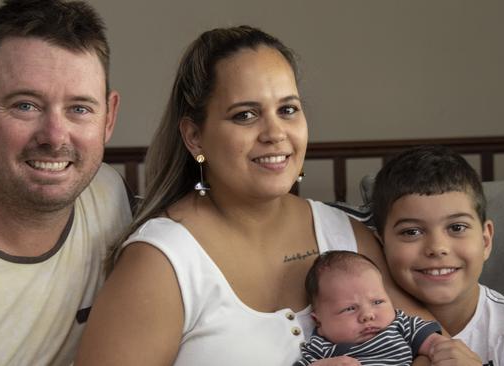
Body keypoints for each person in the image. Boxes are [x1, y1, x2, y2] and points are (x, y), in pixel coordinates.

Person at [75, 25, 430, 366]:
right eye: (245, 115)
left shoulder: (345, 234)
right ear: (195, 136)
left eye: (288, 110)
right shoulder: (161, 263)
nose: (275, 133)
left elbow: (434, 346)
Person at [0, 0, 131, 364]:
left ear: (108, 118)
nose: (54, 136)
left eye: (79, 109)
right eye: (25, 105)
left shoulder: (110, 196)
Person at [371, 145, 504, 365]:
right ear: (381, 246)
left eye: (457, 227)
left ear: (485, 240)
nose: (437, 247)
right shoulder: (360, 321)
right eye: (411, 232)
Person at [294, 250, 445, 365]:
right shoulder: (319, 348)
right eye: (349, 309)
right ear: (318, 321)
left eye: (378, 302)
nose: (368, 315)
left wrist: (442, 349)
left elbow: (435, 344)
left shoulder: (400, 324)